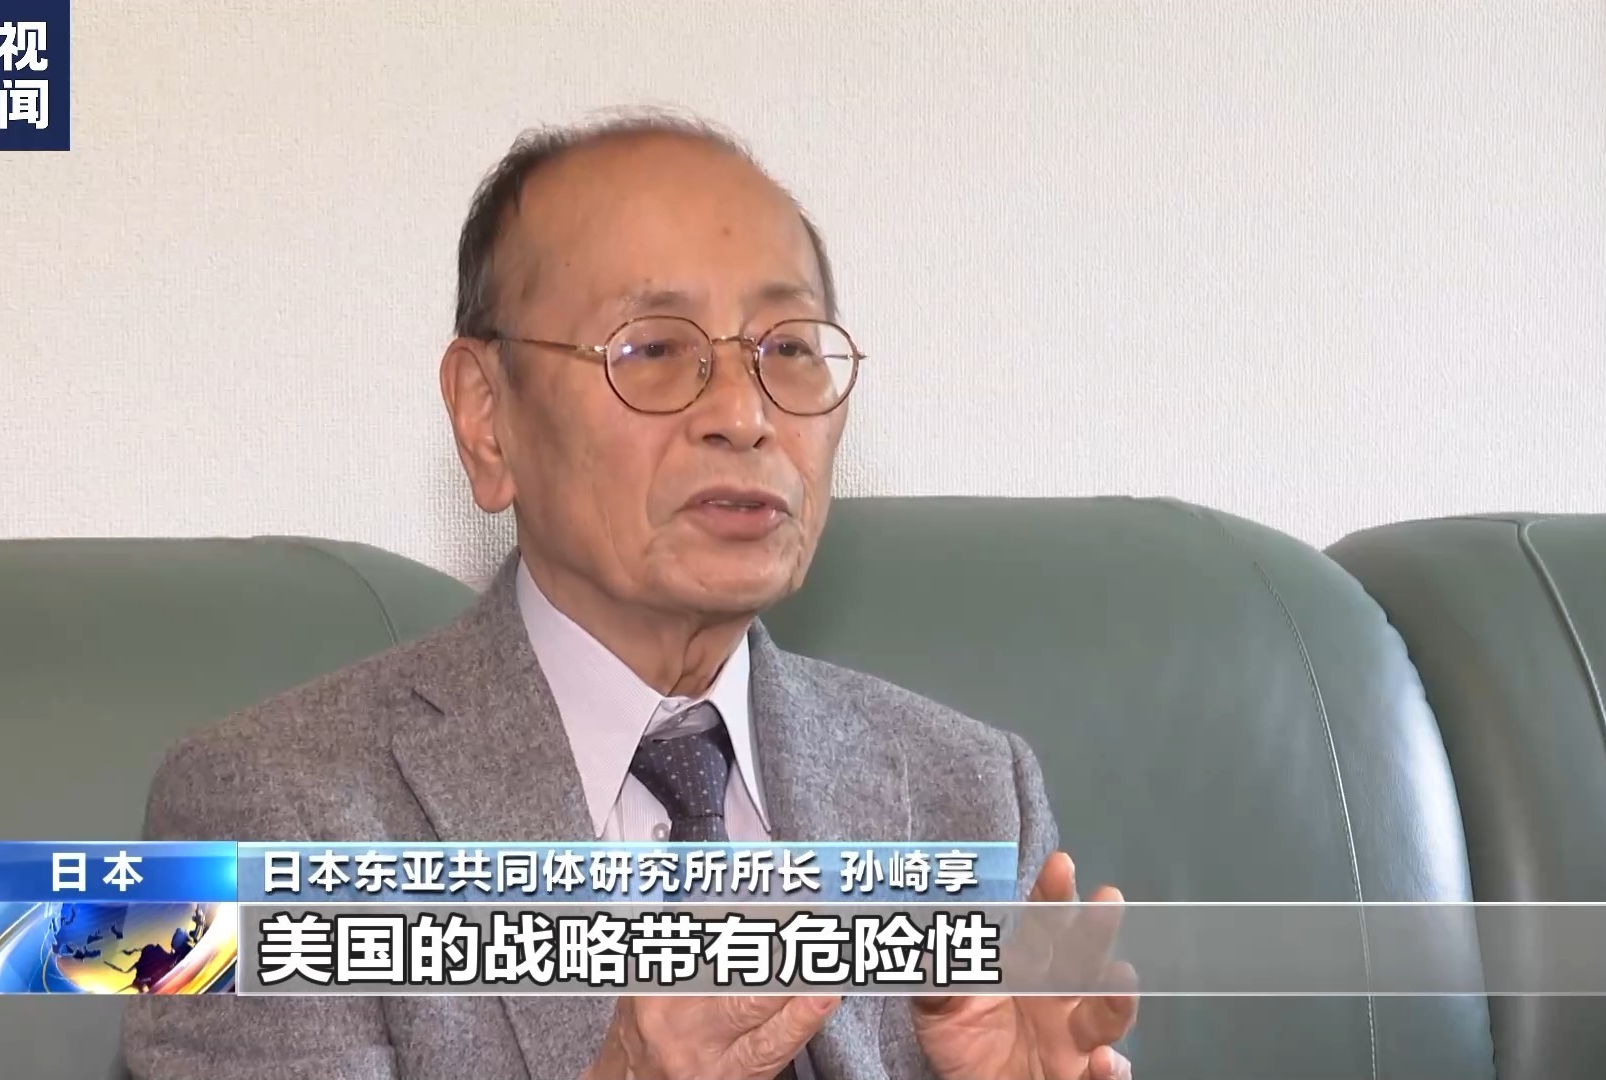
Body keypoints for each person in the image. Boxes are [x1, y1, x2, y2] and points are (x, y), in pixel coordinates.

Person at [122, 109, 1137, 1080]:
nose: (744, 414)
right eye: (653, 349)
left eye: (787, 349)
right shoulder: (252, 816)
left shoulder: (969, 792)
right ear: (486, 418)